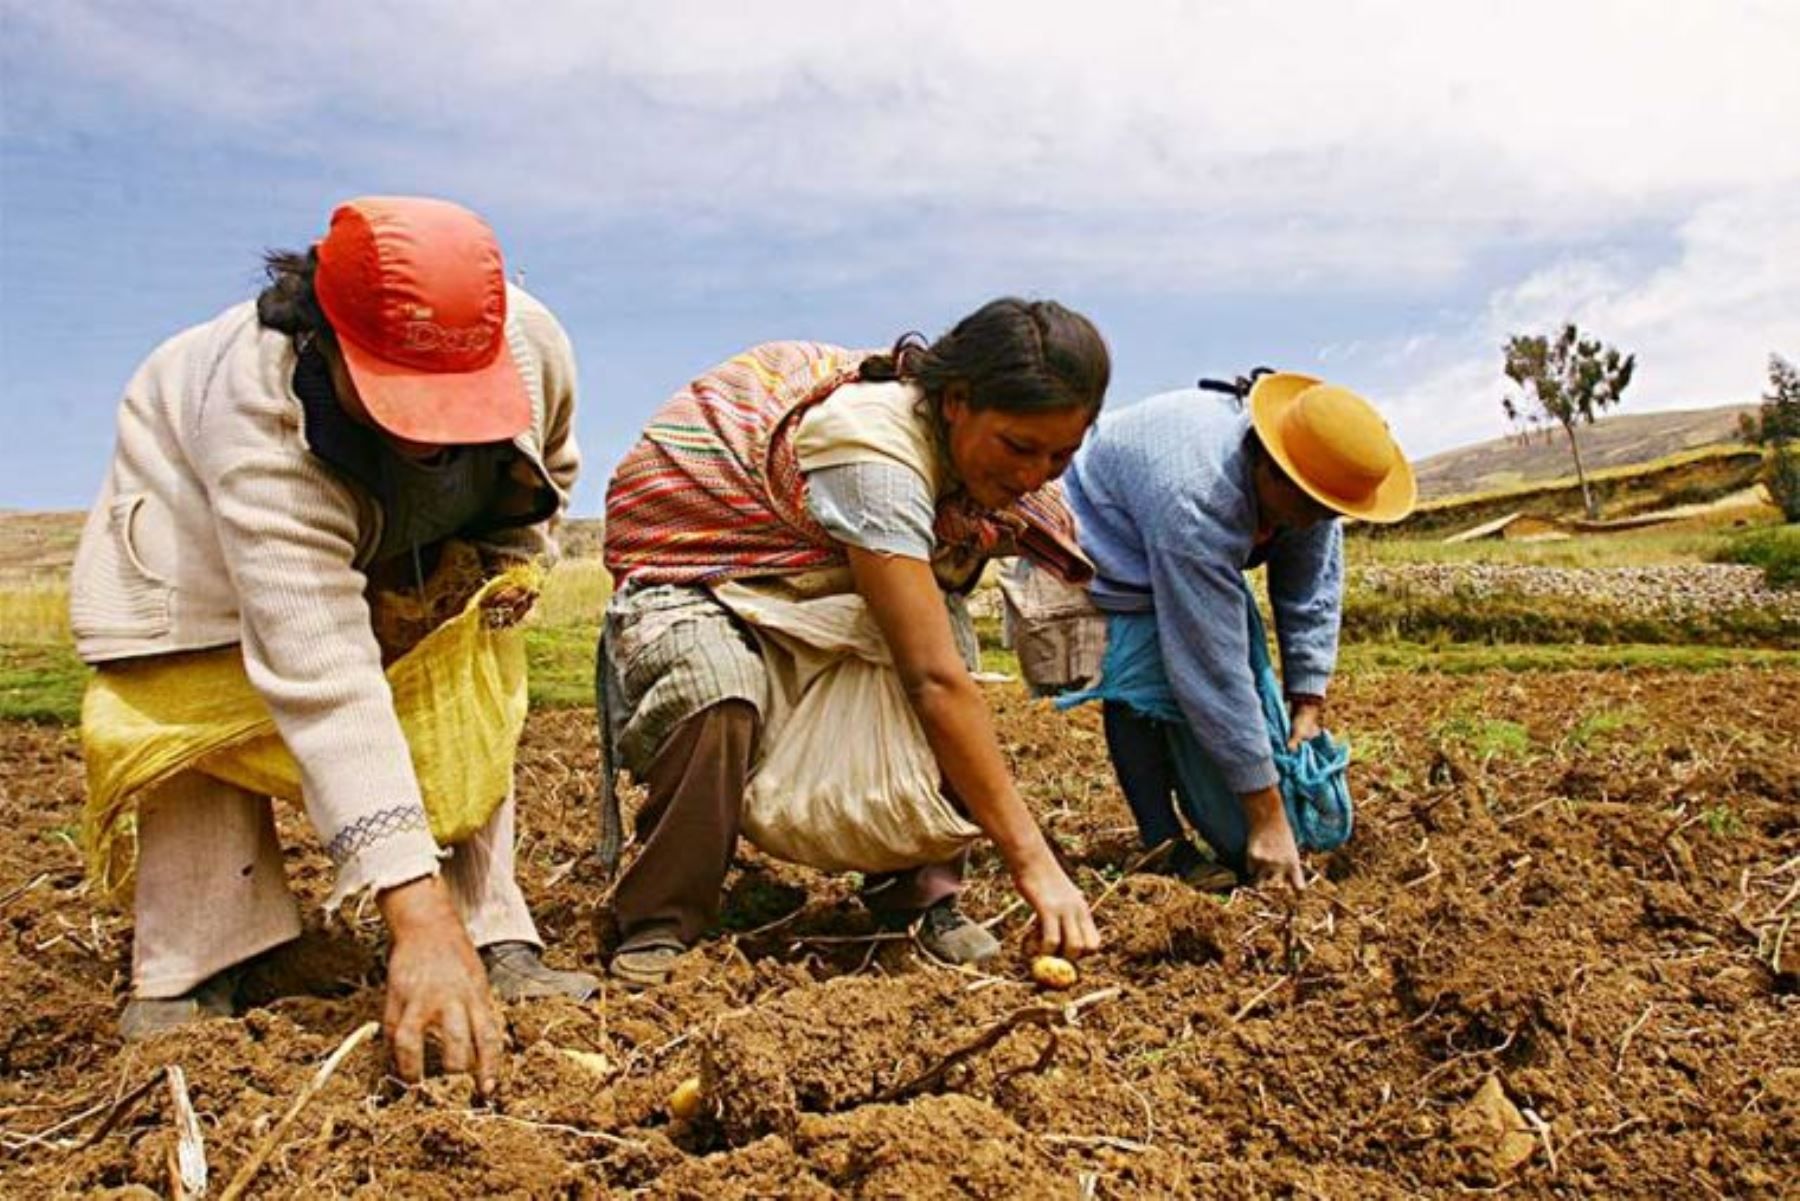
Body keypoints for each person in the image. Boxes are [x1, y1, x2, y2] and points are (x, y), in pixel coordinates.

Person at [70, 196, 595, 1092]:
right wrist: (411, 919)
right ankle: (197, 960)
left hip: (418, 531)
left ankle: (490, 925)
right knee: (201, 708)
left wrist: (505, 569)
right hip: (196, 546)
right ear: (329, 343)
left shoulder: (529, 339)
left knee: (458, 676)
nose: (429, 437)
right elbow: (323, 677)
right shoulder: (259, 421)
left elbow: (551, 464)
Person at [598, 300, 1110, 987]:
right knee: (712, 688)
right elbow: (932, 680)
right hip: (708, 571)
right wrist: (1032, 859)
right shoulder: (872, 451)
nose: (1034, 476)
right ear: (955, 402)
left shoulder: (984, 480)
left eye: (1061, 455)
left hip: (824, 574)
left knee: (944, 642)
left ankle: (918, 897)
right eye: (1019, 447)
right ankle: (662, 918)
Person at [1060, 372, 1416, 889]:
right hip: (1104, 532)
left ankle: (1227, 804)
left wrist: (1307, 700)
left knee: (1242, 720)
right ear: (1269, 471)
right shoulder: (1196, 501)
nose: (1318, 521)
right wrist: (1266, 820)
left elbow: (1310, 588)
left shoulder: (1312, 483)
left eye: (1329, 513)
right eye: (1309, 509)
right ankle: (1162, 844)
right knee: (1140, 682)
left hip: (1179, 530)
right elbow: (1213, 668)